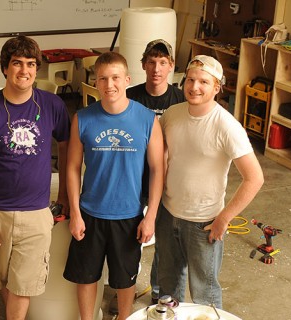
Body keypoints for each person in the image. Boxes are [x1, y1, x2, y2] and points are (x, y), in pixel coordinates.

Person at [0, 35, 70, 320]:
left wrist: (64, 196)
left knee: (24, 286)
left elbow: (67, 144)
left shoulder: (52, 105)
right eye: (17, 63)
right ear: (5, 68)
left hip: (36, 212)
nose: (25, 70)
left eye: (31, 64)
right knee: (3, 281)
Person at [62, 51, 164, 320]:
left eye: (116, 78)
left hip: (129, 214)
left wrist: (150, 216)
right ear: (95, 82)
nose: (110, 85)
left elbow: (157, 169)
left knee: (124, 279)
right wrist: (75, 212)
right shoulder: (82, 119)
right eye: (103, 79)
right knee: (86, 276)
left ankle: (124, 317)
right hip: (90, 213)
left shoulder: (147, 119)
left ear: (127, 79)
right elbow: (71, 168)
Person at [157, 55, 264, 309]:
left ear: (217, 87)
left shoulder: (227, 126)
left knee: (205, 294)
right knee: (168, 286)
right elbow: (160, 161)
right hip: (167, 213)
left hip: (204, 223)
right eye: (191, 80)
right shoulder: (171, 115)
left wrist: (224, 218)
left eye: (204, 82)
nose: (195, 87)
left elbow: (255, 178)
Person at [120, 39, 185, 309]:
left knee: (165, 239)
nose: (156, 68)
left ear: (170, 66)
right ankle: (125, 287)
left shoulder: (180, 99)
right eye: (151, 62)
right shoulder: (131, 96)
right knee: (128, 237)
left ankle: (159, 290)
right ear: (143, 65)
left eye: (162, 62)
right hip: (133, 179)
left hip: (166, 179)